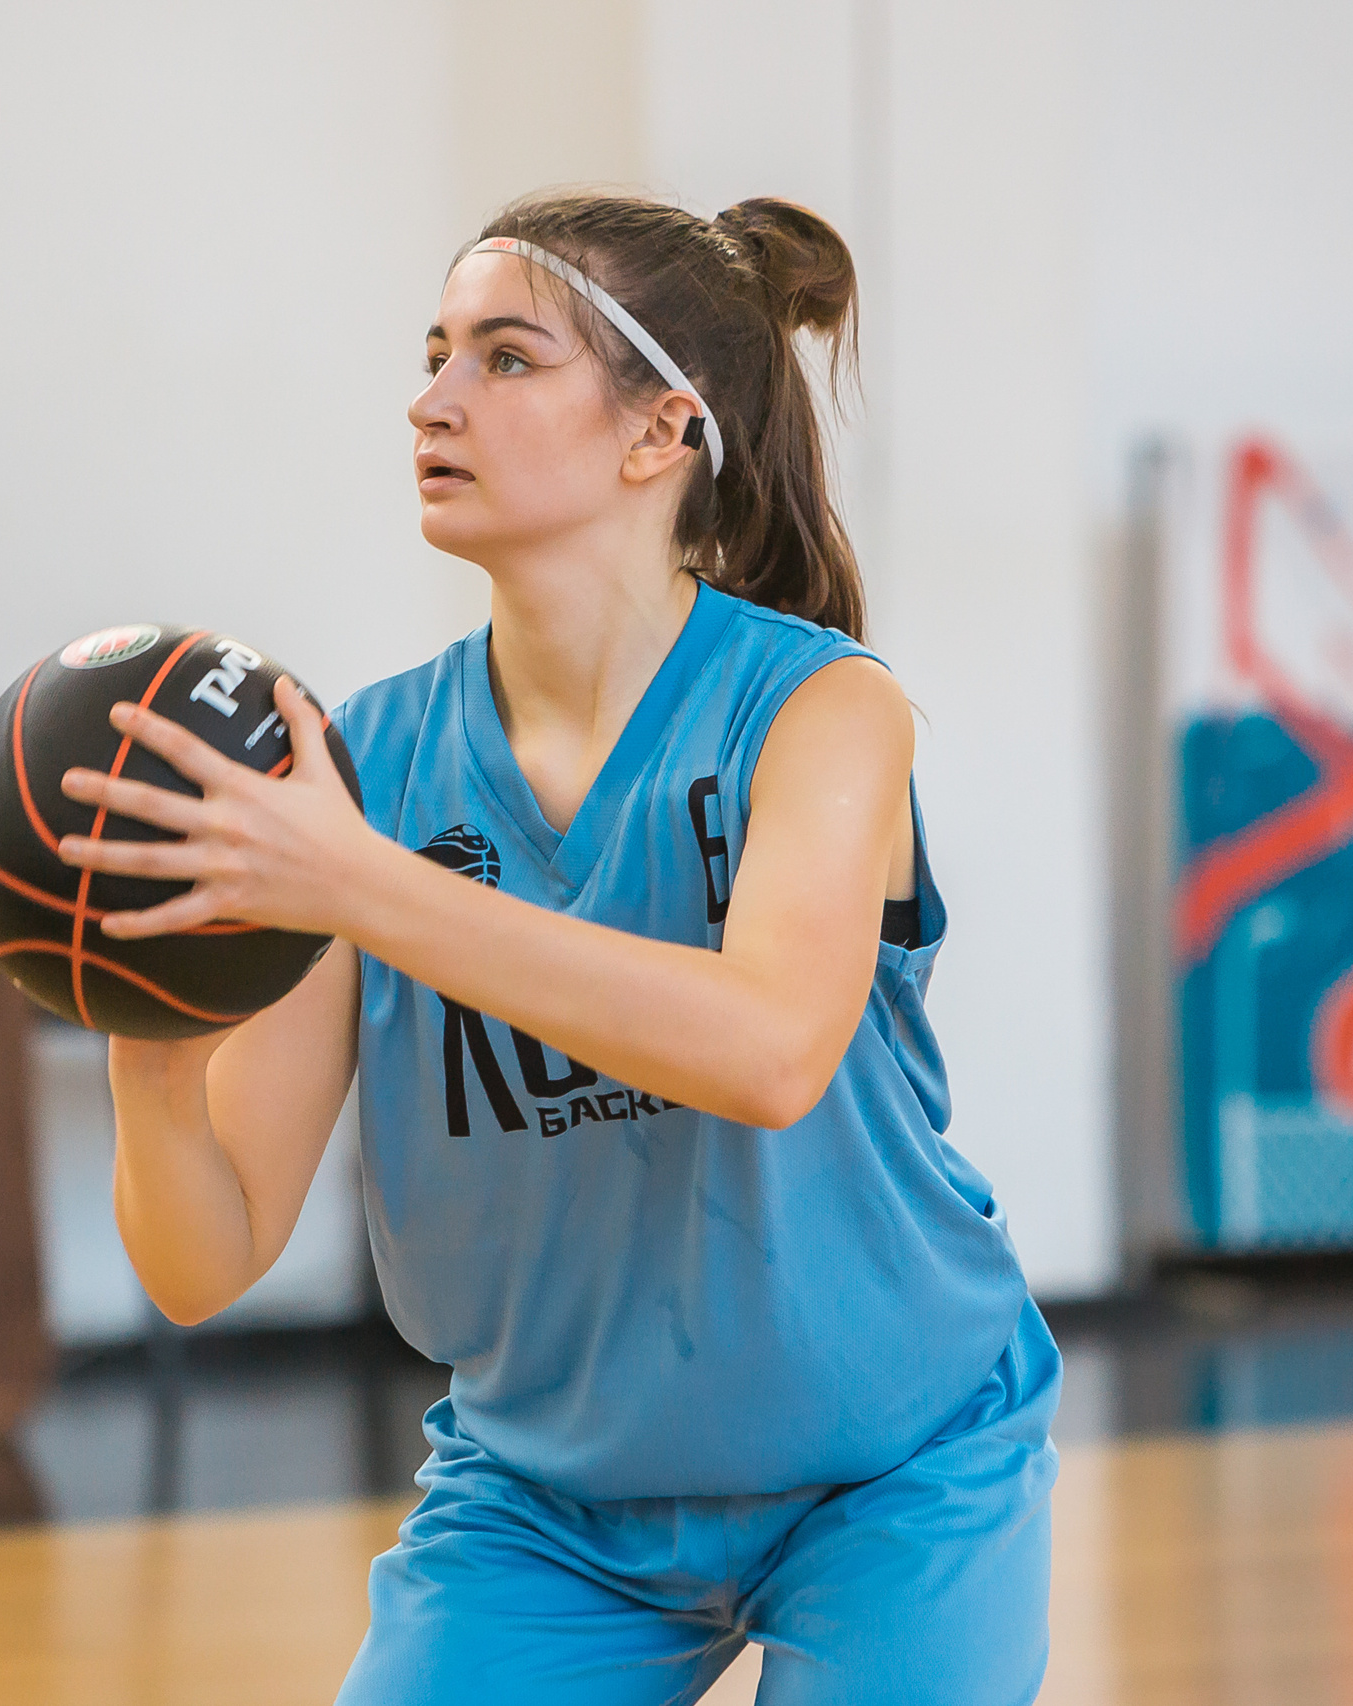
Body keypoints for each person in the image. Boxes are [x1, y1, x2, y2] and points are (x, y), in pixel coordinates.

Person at [55, 191, 1057, 1704]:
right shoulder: (362, 766)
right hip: (550, 1505)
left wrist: (359, 885)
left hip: (896, 1467)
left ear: (660, 434)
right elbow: (207, 1256)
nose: (432, 397)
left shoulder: (823, 711)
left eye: (504, 358)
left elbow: (771, 1049)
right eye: (436, 350)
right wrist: (146, 1025)